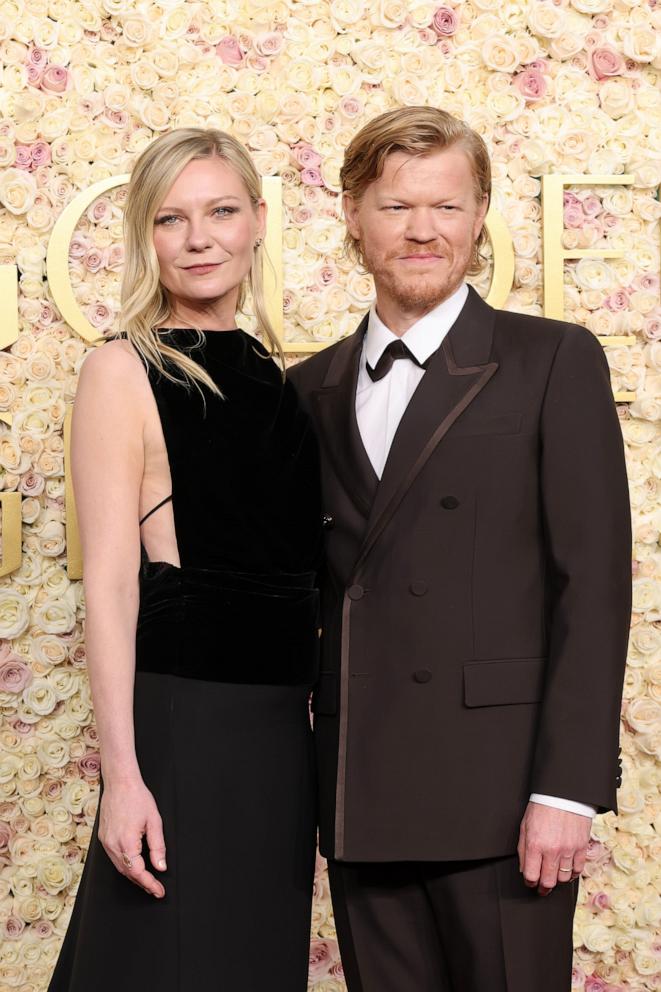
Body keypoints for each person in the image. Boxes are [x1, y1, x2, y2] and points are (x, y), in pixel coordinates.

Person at [289, 106, 631, 991]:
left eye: (446, 207)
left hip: (503, 796)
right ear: (353, 218)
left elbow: (590, 585)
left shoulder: (550, 359)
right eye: (397, 206)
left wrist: (567, 790)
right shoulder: (305, 389)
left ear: (479, 218)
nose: (422, 231)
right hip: (361, 790)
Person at [48, 128, 321, 991]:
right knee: (163, 963)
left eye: (220, 212)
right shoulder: (121, 370)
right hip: (183, 730)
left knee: (250, 965)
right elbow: (112, 588)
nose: (198, 238)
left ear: (258, 222)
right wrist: (122, 780)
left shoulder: (281, 381)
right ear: (145, 236)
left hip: (281, 738)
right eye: (171, 218)